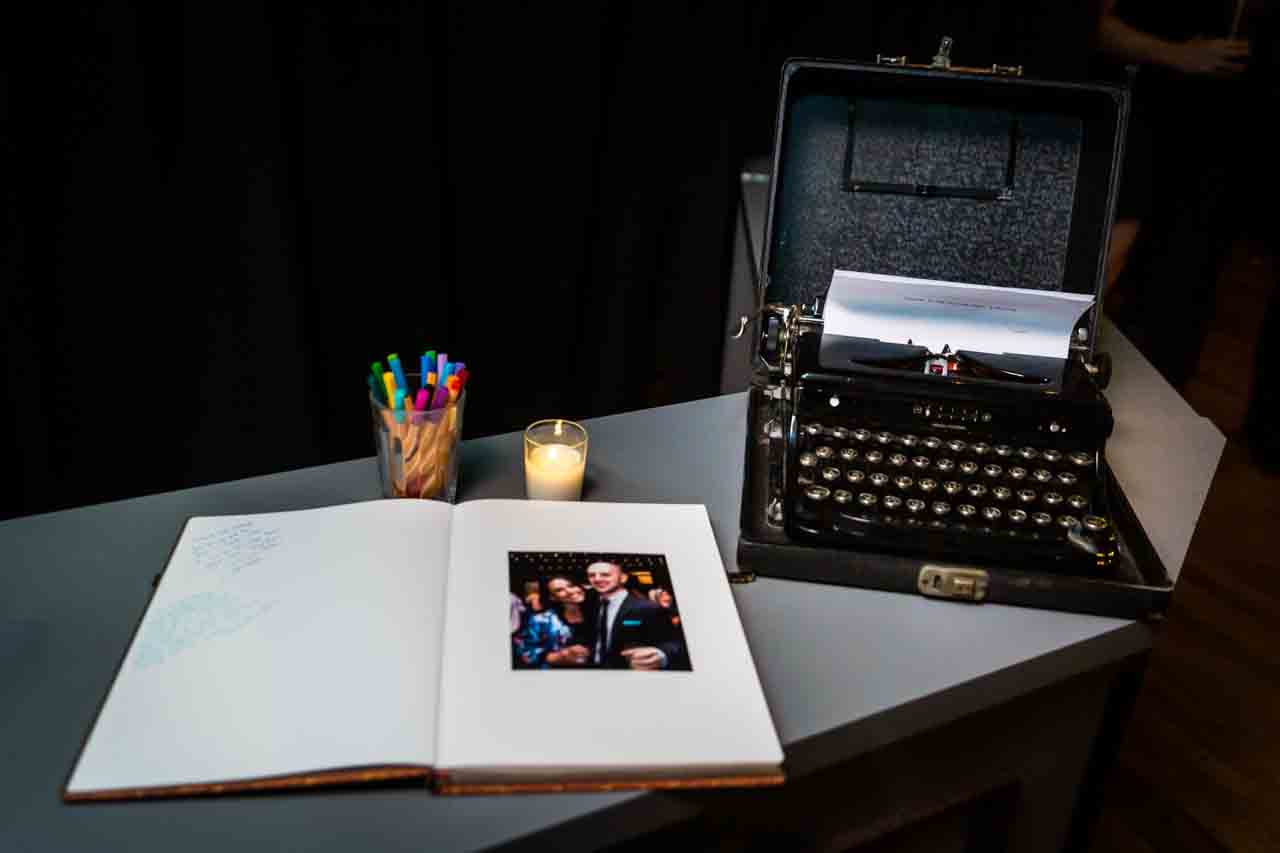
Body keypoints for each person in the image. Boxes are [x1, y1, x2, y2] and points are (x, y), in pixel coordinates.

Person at [585, 561, 688, 671]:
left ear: (623, 578)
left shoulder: (648, 608)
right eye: (592, 575)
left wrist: (661, 654)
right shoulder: (590, 604)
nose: (597, 579)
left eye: (605, 575)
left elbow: (673, 643)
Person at [517, 573, 593, 669]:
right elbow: (526, 652)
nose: (569, 591)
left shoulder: (600, 611)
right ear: (553, 597)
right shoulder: (542, 619)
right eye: (559, 590)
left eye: (571, 586)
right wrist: (559, 656)